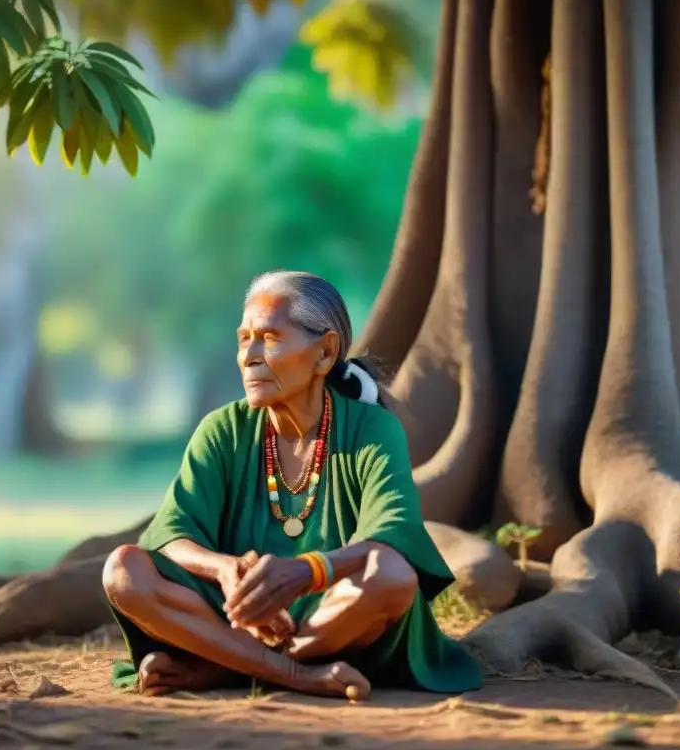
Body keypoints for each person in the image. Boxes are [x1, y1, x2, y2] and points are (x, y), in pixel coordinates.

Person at [103, 271, 483, 700]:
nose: (250, 355)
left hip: (335, 615)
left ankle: (221, 668)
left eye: (269, 337)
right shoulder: (222, 429)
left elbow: (391, 540)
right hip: (237, 615)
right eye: (244, 339)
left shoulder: (372, 429)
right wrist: (226, 571)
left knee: (392, 576)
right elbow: (172, 535)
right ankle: (295, 675)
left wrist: (308, 571)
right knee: (123, 570)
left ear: (324, 353)